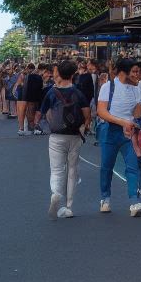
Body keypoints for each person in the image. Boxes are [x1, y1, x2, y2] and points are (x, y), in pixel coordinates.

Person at [94, 56, 141, 217]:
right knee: (106, 167)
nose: (138, 75)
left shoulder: (137, 89)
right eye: (135, 72)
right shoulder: (108, 87)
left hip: (128, 132)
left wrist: (139, 99)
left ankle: (134, 202)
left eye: (139, 72)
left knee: (133, 166)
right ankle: (105, 198)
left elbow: (138, 113)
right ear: (124, 72)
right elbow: (102, 112)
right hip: (110, 130)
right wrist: (122, 121)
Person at [45, 59, 91, 218]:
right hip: (75, 136)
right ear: (73, 74)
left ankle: (56, 193)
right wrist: (84, 127)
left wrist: (52, 123)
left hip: (56, 136)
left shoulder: (51, 92)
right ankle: (69, 206)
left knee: (57, 169)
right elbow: (87, 114)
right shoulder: (78, 93)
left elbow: (45, 113)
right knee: (72, 170)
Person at [19, 60, 46, 135]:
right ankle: (33, 127)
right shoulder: (35, 76)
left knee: (31, 111)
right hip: (34, 97)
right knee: (33, 111)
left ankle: (31, 127)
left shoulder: (29, 76)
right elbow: (40, 87)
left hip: (29, 97)